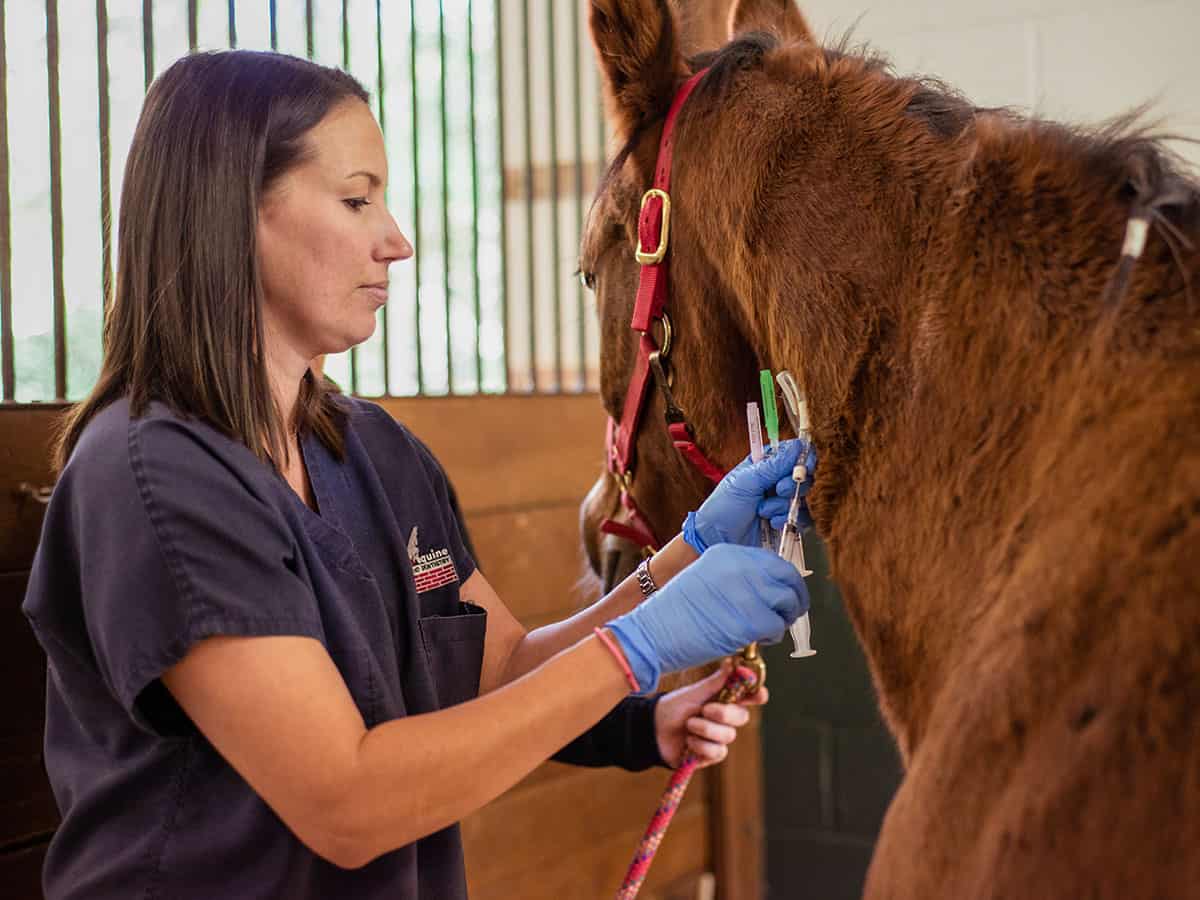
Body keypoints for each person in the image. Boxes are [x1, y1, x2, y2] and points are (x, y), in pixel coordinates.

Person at [21, 50, 810, 899]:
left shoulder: (373, 451)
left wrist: (682, 562)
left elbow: (499, 667)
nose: (395, 241)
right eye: (358, 199)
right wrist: (641, 648)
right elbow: (347, 802)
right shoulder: (156, 480)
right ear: (229, 212)